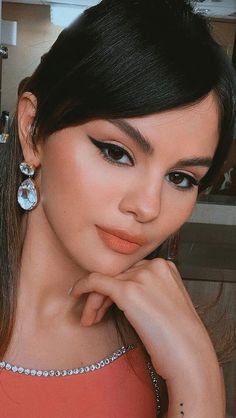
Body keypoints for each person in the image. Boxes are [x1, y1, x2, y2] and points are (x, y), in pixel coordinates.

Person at [0, 0, 235, 417]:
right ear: (33, 131)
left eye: (181, 179)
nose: (148, 207)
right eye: (116, 152)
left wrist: (198, 377)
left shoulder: (168, 333)